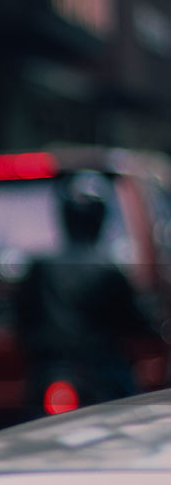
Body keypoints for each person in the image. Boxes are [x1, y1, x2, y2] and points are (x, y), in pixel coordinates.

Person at [15, 172, 159, 411]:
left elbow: (22, 318)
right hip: (99, 369)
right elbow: (131, 318)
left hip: (51, 367)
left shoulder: (40, 267)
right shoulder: (108, 270)